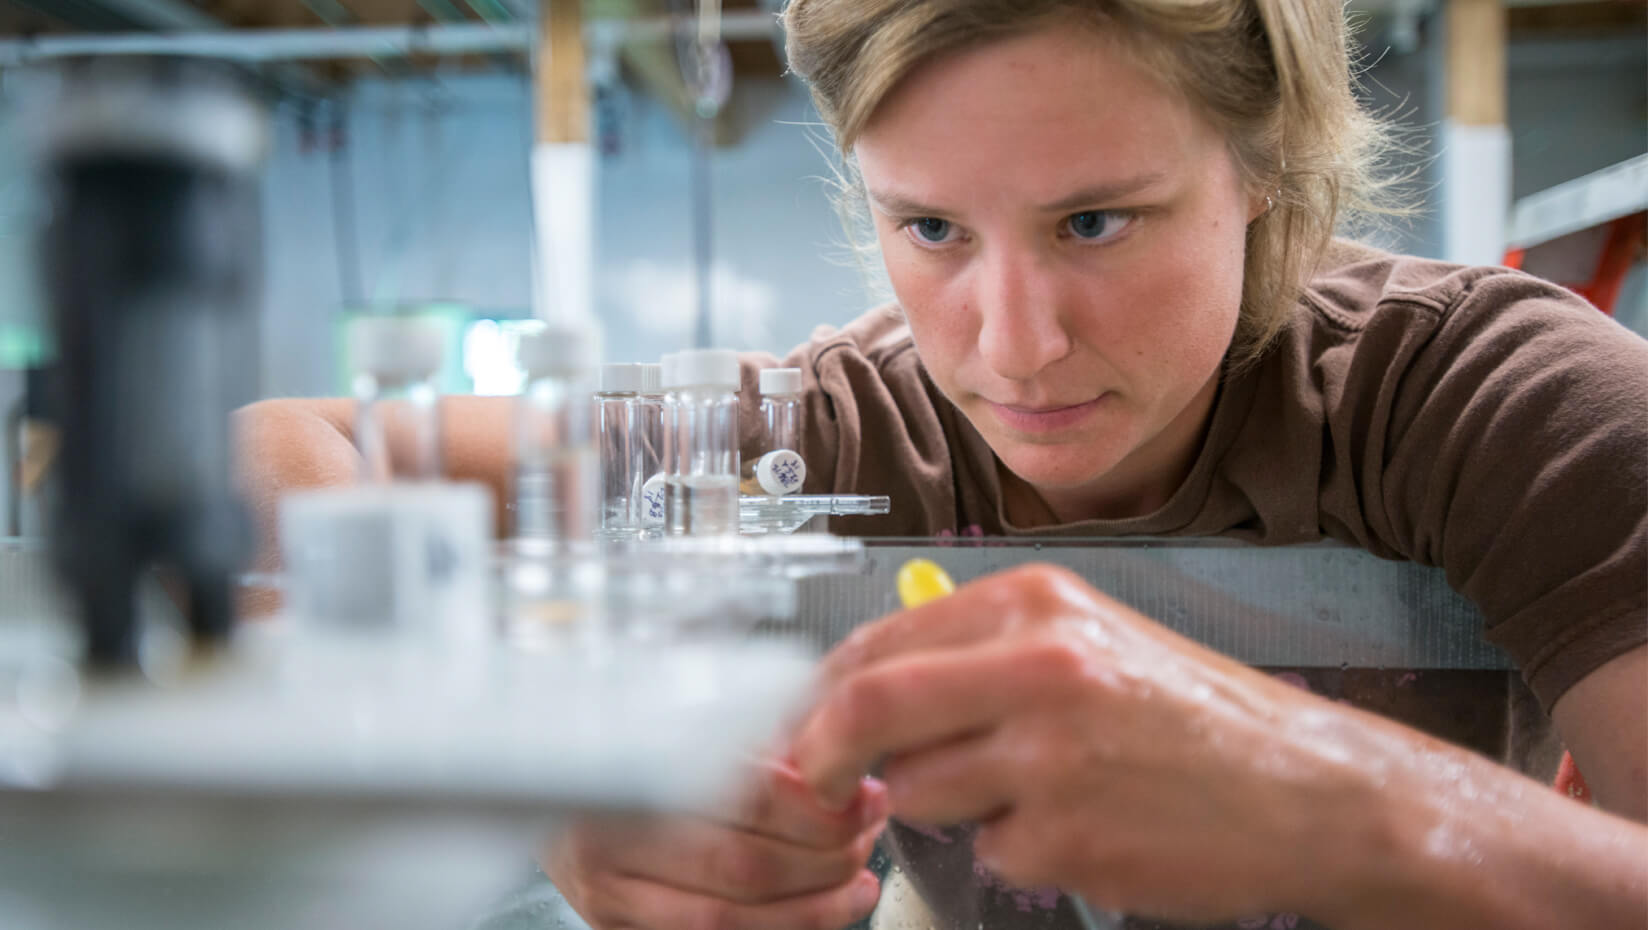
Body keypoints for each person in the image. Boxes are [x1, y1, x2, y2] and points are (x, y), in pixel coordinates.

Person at [235, 0, 1648, 927]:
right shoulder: (846, 428)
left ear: (1263, 163)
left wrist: (1336, 798)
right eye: (932, 231)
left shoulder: (1486, 400)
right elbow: (290, 446)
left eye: (1097, 221)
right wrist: (552, 777)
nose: (1013, 345)